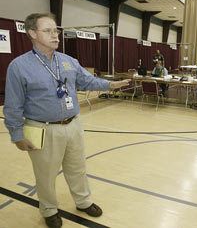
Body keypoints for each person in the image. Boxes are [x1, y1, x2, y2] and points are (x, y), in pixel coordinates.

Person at [3, 13, 130, 228]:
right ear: (32, 33)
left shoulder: (68, 61)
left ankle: (83, 201)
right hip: (42, 128)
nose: (55, 35)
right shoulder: (19, 66)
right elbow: (13, 106)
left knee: (77, 167)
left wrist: (110, 85)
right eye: (48, 31)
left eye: (56, 30)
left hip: (73, 124)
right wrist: (17, 135)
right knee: (46, 174)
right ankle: (49, 209)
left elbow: (86, 80)